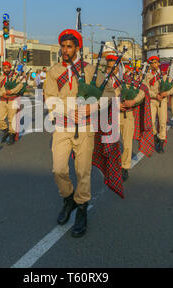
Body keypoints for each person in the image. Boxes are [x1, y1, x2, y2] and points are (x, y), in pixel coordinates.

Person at [43, 29, 115, 238]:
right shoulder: (54, 71)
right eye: (63, 46)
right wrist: (65, 110)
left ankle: (82, 207)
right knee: (58, 169)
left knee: (83, 171)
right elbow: (49, 98)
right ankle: (68, 199)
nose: (65, 50)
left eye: (69, 46)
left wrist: (92, 108)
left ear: (77, 48)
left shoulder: (91, 69)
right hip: (62, 126)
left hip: (85, 128)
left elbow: (109, 92)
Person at [107, 55, 145, 181]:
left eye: (114, 67)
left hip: (127, 116)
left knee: (127, 144)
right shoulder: (103, 81)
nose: (111, 69)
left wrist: (133, 101)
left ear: (118, 67)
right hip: (111, 115)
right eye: (109, 67)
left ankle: (124, 167)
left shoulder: (127, 79)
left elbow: (142, 93)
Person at [143, 55, 173, 153]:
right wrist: (155, 95)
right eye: (152, 63)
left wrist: (166, 93)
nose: (153, 64)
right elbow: (145, 89)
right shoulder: (147, 76)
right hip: (152, 101)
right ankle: (155, 137)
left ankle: (161, 143)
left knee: (162, 122)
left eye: (155, 62)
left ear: (158, 63)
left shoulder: (164, 75)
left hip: (163, 101)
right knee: (152, 122)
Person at [0, 61, 24, 145]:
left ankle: (12, 135)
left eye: (8, 67)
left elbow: (20, 85)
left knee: (11, 119)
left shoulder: (15, 76)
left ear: (10, 68)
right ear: (3, 68)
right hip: (3, 100)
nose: (6, 69)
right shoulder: (0, 77)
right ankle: (6, 131)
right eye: (4, 67)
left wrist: (11, 91)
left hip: (12, 100)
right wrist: (1, 94)